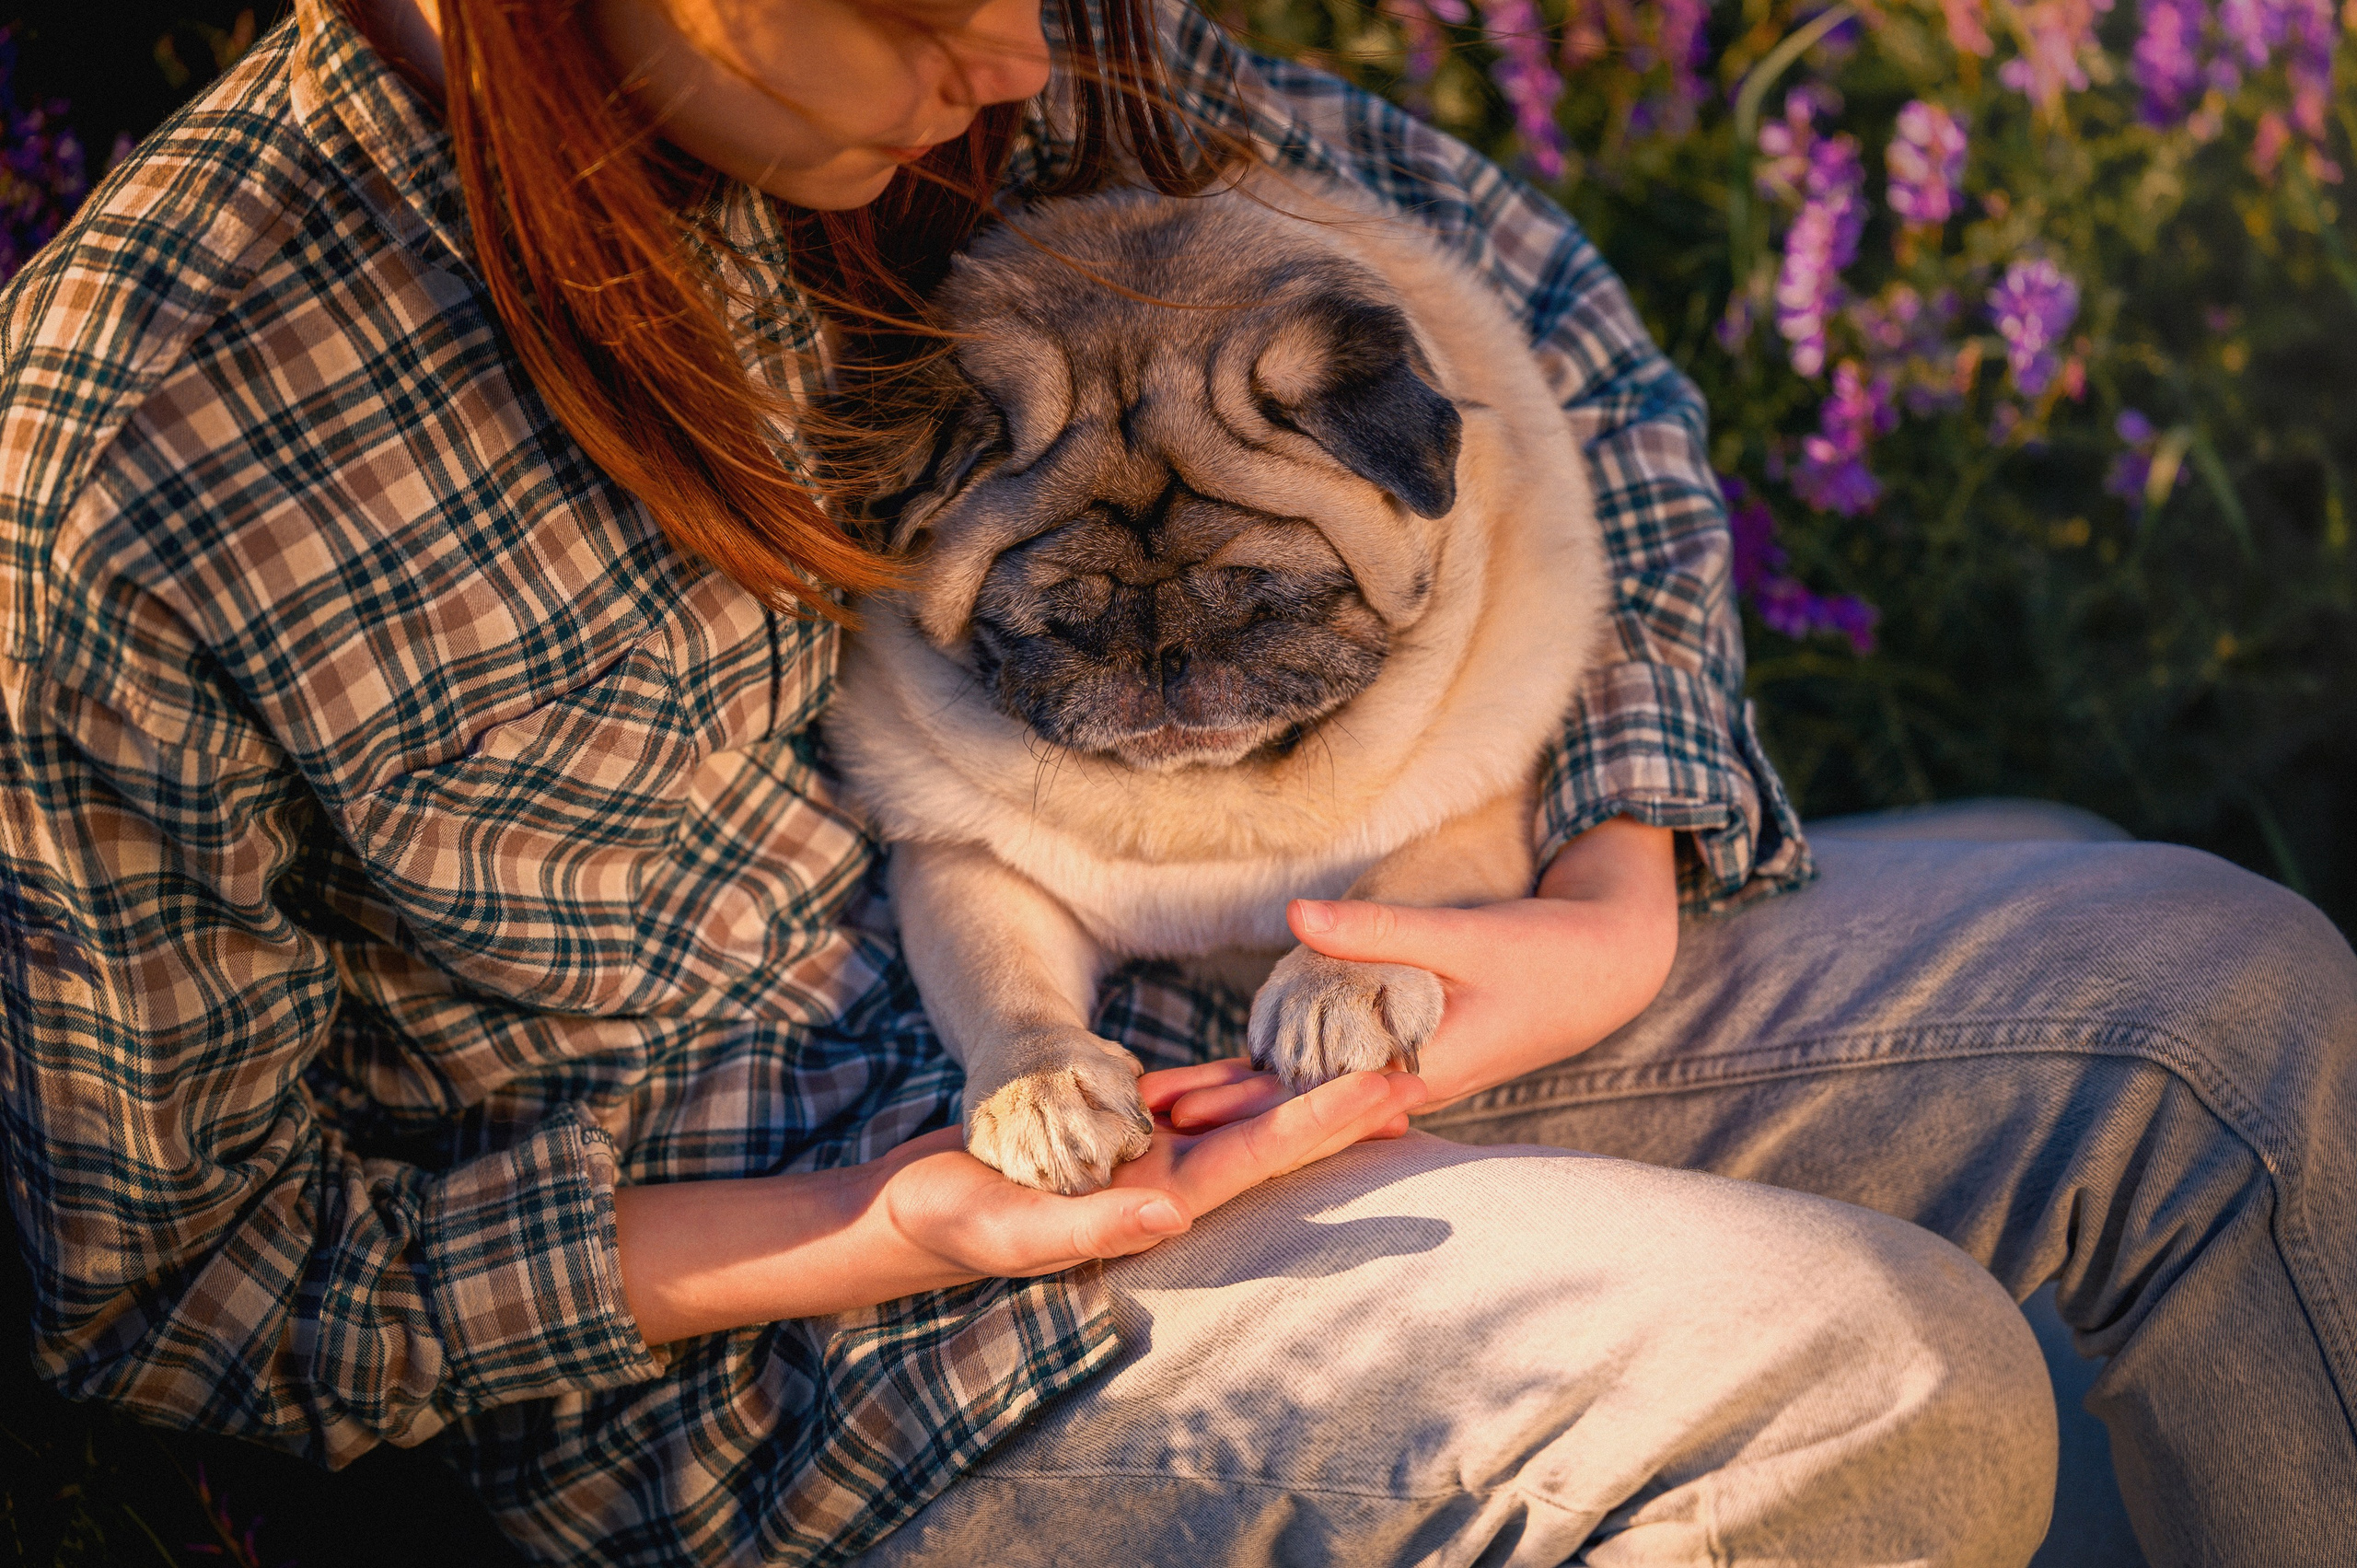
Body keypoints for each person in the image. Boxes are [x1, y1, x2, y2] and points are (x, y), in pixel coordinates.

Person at [0, 0, 2345, 1562]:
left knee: (2225, 1013)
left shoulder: (1030, 41)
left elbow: (1557, 347)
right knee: (1861, 1383)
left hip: (1369, 973)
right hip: (842, 1362)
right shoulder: (141, 455)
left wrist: (1607, 874)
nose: (1016, 45)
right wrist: (892, 1221)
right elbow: (177, 1293)